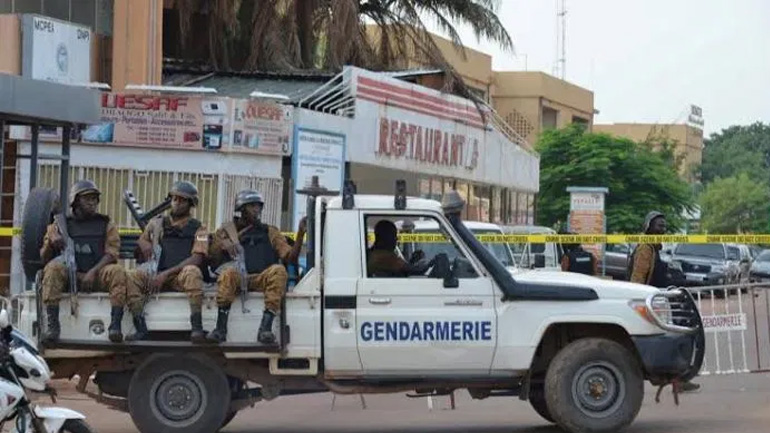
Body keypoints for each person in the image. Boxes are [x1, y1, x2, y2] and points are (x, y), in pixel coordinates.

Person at [206, 190, 307, 344]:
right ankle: (220, 329)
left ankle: (265, 328)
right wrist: (223, 244)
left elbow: (290, 257)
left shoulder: (270, 231)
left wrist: (300, 233)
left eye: (258, 206)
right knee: (227, 274)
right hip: (238, 279)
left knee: (279, 271)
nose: (256, 210)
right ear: (241, 208)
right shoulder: (226, 231)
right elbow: (211, 258)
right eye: (251, 206)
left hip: (261, 279)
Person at [39, 180, 127, 343]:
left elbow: (112, 254)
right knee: (52, 269)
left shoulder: (106, 223)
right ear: (75, 201)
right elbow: (44, 259)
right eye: (87, 199)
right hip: (69, 276)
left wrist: (92, 272)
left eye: (94, 199)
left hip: (97, 275)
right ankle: (53, 326)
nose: (92, 202)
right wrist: (52, 241)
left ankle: (115, 325)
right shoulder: (59, 225)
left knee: (118, 271)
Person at [125, 181, 210, 343]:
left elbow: (197, 257)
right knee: (131, 276)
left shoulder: (200, 228)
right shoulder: (156, 223)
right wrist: (144, 244)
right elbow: (141, 241)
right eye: (174, 199)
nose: (177, 203)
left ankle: (196, 327)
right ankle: (140, 326)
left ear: (190, 204)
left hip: (180, 277)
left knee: (192, 271)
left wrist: (165, 275)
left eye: (182, 200)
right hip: (156, 274)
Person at [629, 211, 700, 392]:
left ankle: (678, 380)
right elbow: (637, 278)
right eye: (659, 225)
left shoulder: (654, 248)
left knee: (674, 340)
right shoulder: (645, 249)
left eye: (663, 226)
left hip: (658, 303)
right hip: (650, 305)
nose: (663, 228)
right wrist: (637, 302)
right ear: (648, 227)